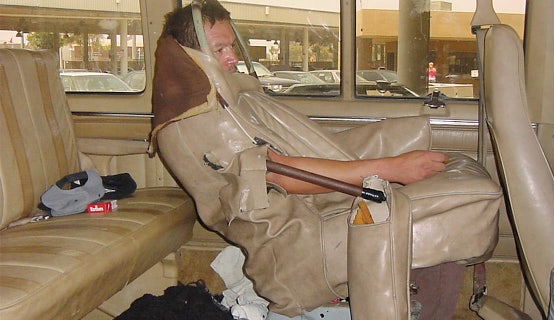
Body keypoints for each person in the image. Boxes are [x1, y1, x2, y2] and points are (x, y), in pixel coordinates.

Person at [154, 2, 469, 319]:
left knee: (435, 207)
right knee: (447, 219)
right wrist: (390, 168)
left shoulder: (229, 101)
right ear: (189, 60)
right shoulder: (202, 122)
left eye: (231, 46)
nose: (232, 57)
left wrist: (391, 164)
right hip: (293, 243)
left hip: (304, 211)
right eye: (220, 49)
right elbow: (276, 174)